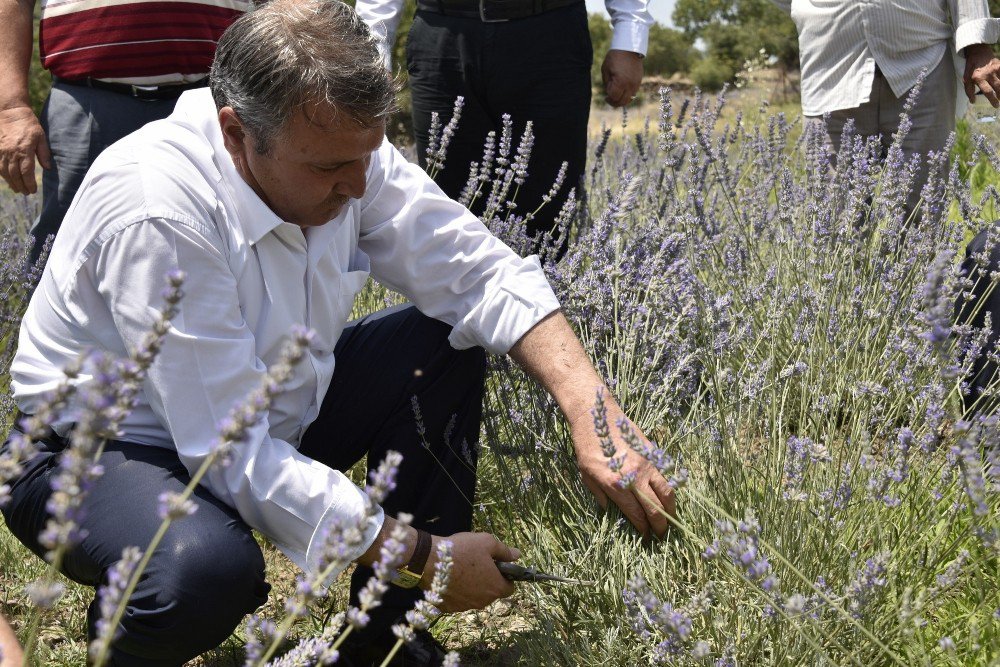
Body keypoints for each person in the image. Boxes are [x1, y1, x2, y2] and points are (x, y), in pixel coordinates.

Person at [0, 2, 673, 665]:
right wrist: (425, 558)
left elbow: (479, 273)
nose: (357, 186)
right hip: (99, 450)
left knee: (445, 343)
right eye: (327, 169)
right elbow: (228, 450)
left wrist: (594, 414)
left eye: (367, 156)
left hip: (262, 412)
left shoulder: (338, 147)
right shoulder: (159, 207)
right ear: (236, 134)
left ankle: (385, 639)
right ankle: (131, 640)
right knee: (201, 569)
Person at [356, 0, 652, 243]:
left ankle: (547, 311)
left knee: (546, 221)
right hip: (441, 37)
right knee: (444, 216)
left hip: (549, 35)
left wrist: (630, 32)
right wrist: (372, 48)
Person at [0, 0, 248, 264]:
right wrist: (11, 109)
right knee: (65, 251)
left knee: (227, 242)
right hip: (88, 103)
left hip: (214, 101)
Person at [772, 0, 1000, 217]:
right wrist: (811, 11)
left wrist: (978, 44)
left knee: (922, 218)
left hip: (923, 63)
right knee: (833, 221)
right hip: (830, 68)